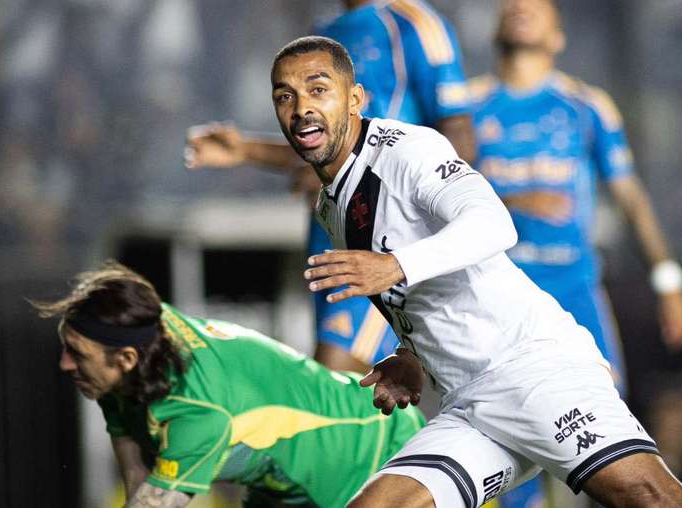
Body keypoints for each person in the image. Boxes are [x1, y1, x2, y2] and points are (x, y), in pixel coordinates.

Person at [268, 35, 682, 507]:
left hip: (533, 371)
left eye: (317, 89)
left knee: (654, 500)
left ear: (354, 98)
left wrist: (394, 265)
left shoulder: (408, 149)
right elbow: (414, 290)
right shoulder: (332, 204)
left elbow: (492, 223)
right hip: (468, 406)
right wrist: (412, 355)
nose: (301, 107)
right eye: (285, 96)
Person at [184, 0, 475, 374]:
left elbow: (458, 138)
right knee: (365, 407)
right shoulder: (325, 32)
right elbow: (330, 145)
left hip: (383, 238)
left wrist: (423, 235)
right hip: (331, 235)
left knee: (334, 385)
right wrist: (245, 150)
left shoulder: (414, 24)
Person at [32, 261, 426, 508]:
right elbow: (134, 470)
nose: (65, 364)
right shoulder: (142, 334)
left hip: (374, 457)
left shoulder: (199, 412)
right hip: (293, 486)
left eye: (77, 354)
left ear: (126, 360)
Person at [469, 0, 682, 393]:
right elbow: (433, 196)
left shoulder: (587, 106)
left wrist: (669, 282)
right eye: (513, 7)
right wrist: (513, 202)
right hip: (492, 290)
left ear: (558, 37)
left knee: (605, 407)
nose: (522, 8)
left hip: (573, 286)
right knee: (496, 414)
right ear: (495, 30)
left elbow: (631, 199)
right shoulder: (463, 108)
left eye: (536, 8)